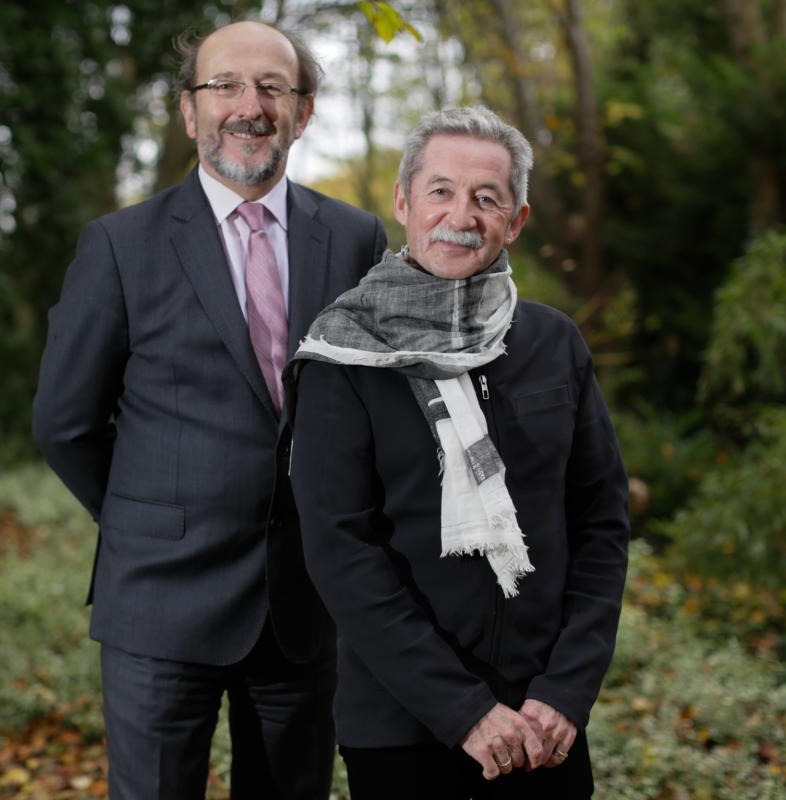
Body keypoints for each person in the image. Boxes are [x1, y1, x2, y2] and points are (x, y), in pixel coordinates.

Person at [31, 20, 386, 800]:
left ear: (305, 110)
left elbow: (377, 414)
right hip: (160, 600)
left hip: (305, 606)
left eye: (272, 88)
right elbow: (65, 422)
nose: (248, 106)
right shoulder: (120, 245)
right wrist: (149, 516)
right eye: (224, 85)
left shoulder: (357, 240)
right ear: (189, 111)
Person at [288, 106, 629, 799]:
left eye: (486, 197)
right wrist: (464, 709)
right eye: (441, 190)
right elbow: (340, 551)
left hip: (545, 722)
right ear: (404, 202)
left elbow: (601, 522)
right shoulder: (343, 356)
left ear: (516, 220)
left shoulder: (553, 344)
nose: (461, 214)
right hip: (401, 723)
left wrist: (566, 690)